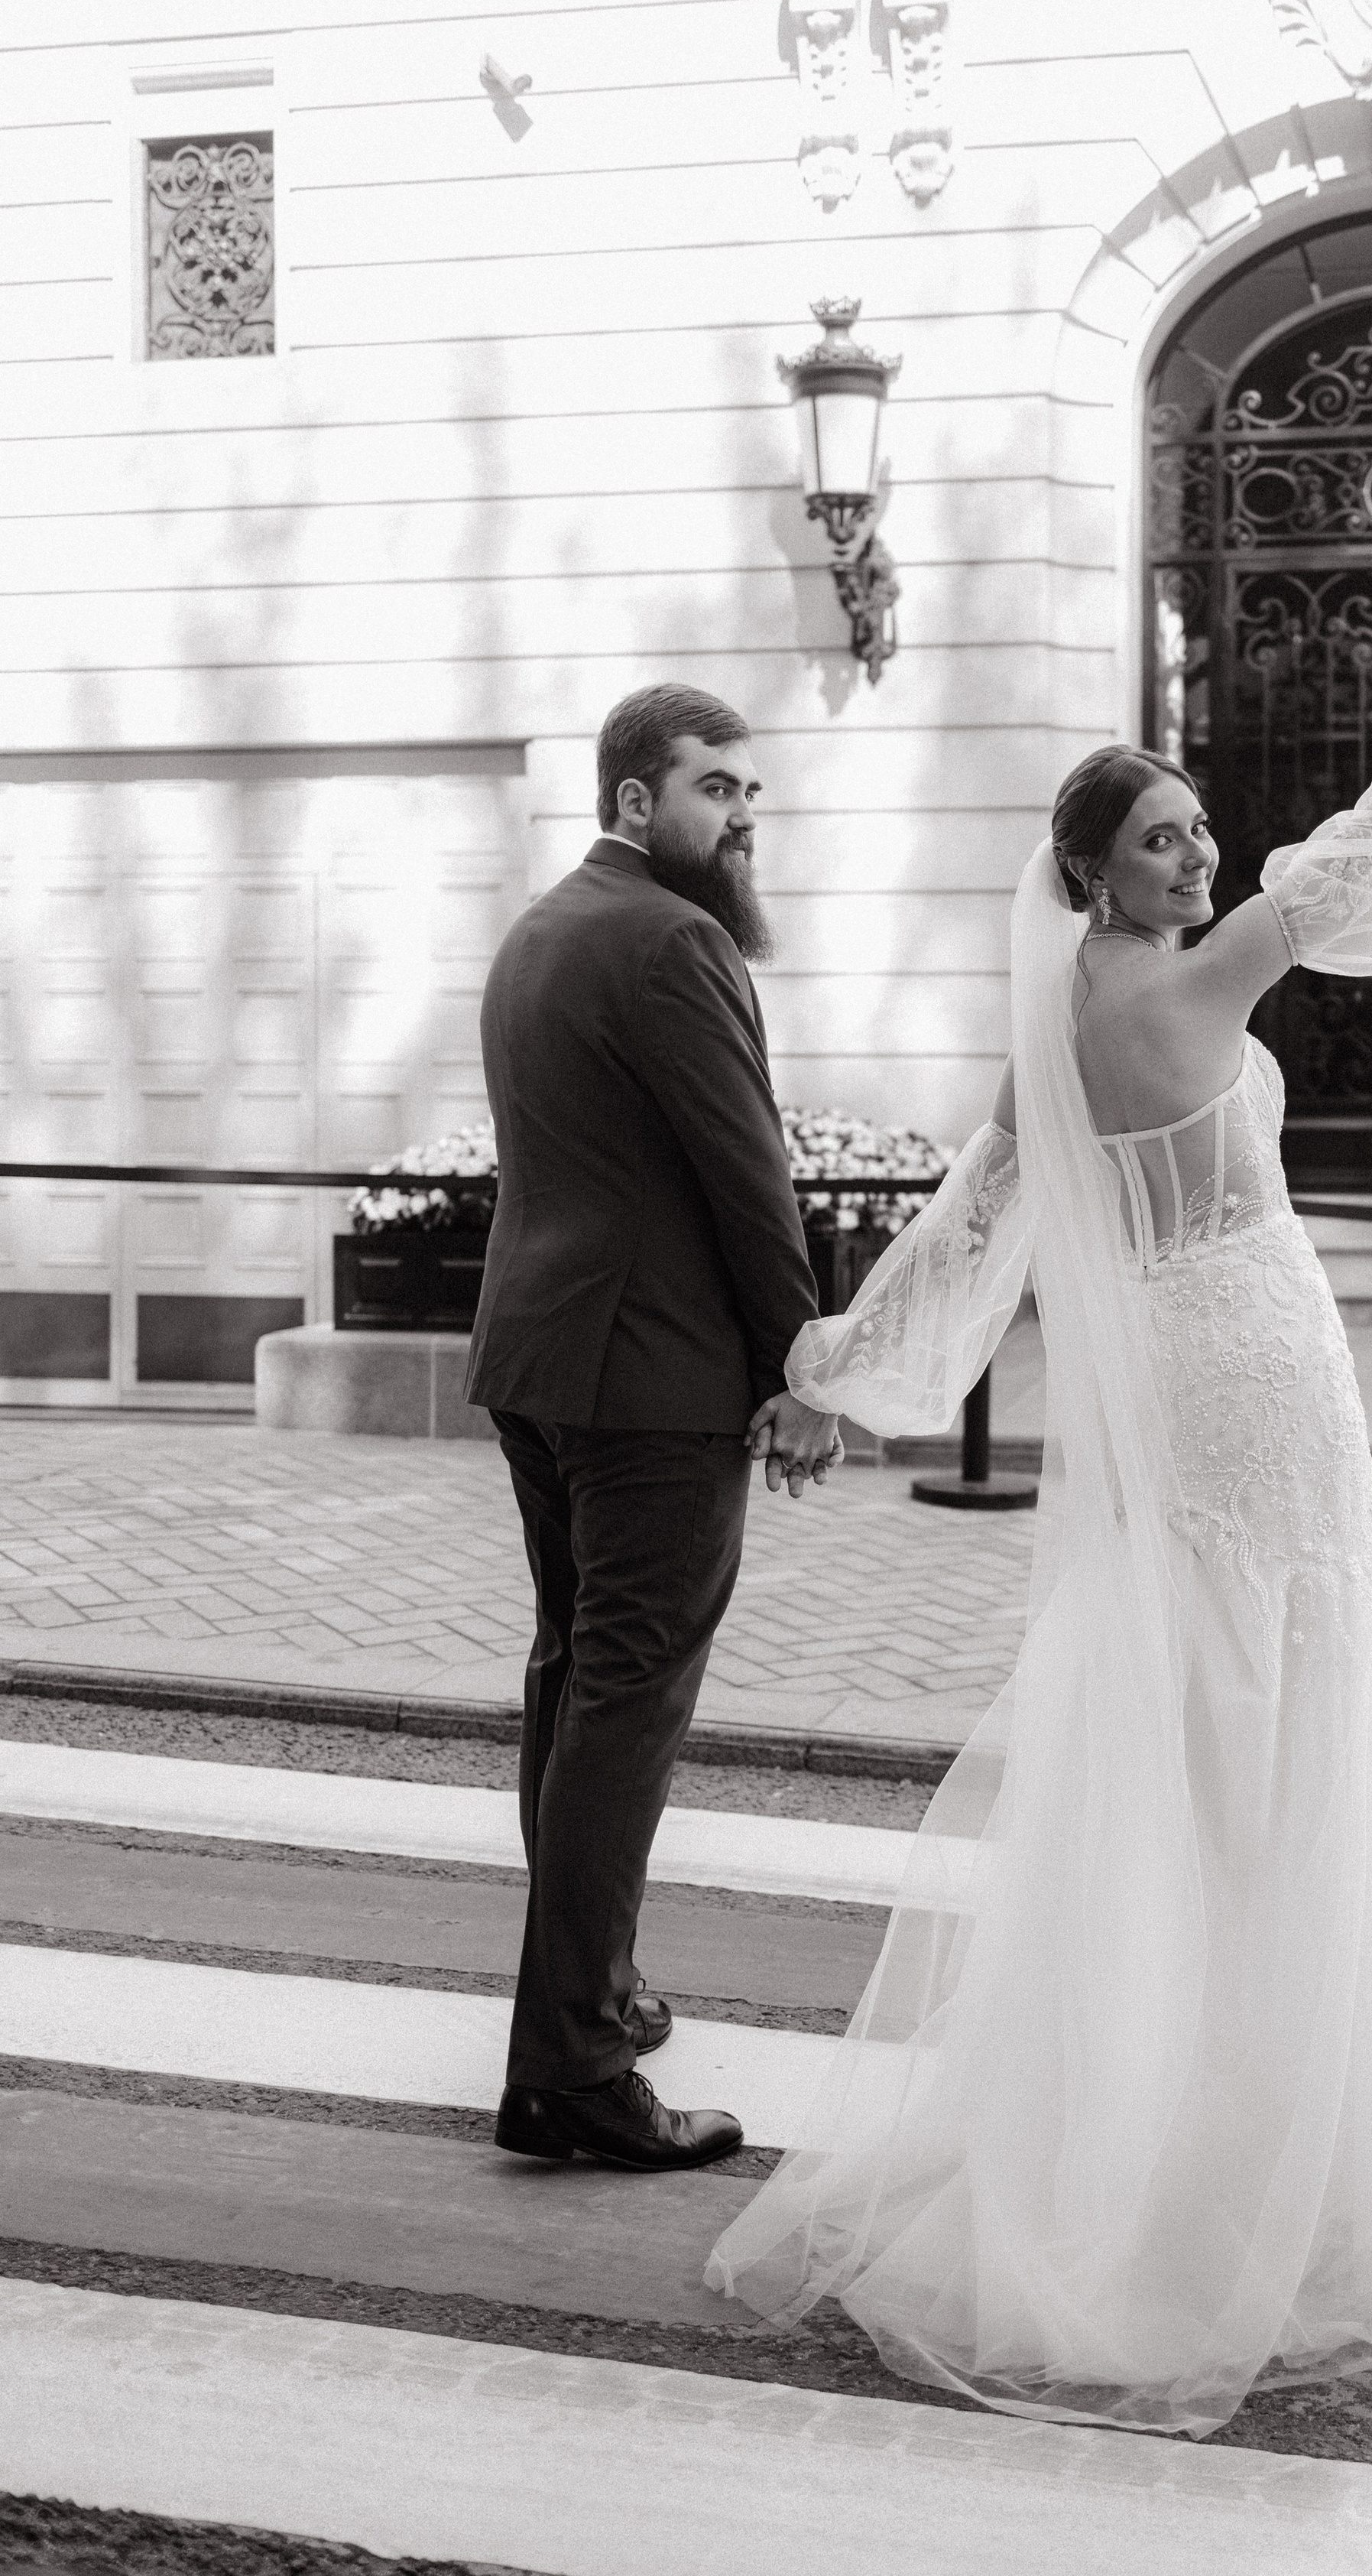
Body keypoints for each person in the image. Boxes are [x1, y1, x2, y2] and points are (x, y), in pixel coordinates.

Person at [713, 508, 1372, 2435]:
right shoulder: (1204, 984)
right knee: (1294, 1699)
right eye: (1159, 843)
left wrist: (835, 1379)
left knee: (1198, 1706)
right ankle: (1289, 2130)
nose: (1198, 859)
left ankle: (1166, 2087)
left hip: (1189, 1390)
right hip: (1260, 1369)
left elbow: (972, 1226)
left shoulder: (1056, 1028)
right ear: (1088, 875)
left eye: (1198, 834)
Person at [469, 682, 841, 2175]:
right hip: (650, 1384)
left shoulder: (543, 930)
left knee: (576, 1685)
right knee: (623, 1708)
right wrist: (803, 1367)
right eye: (715, 789)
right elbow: (747, 1171)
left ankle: (596, 1992)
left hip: (543, 1366)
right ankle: (570, 2068)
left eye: (750, 793)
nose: (742, 818)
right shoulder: (677, 941)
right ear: (635, 798)